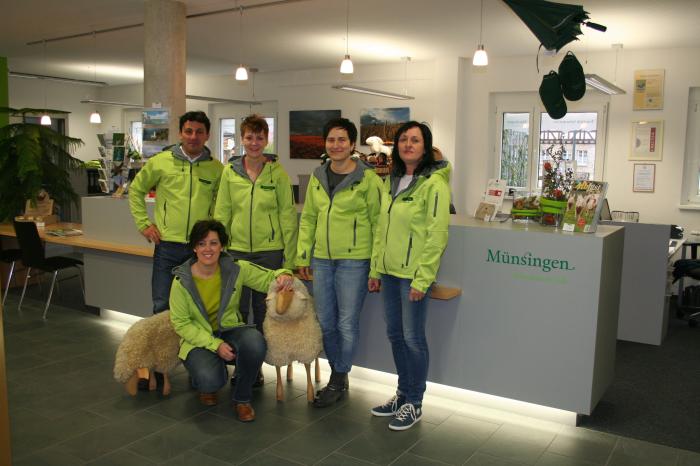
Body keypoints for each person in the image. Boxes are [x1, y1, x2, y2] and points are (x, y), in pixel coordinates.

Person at [368, 121, 451, 431]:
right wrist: (375, 268)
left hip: (413, 276)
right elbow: (382, 229)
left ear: (425, 147)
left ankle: (414, 402)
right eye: (403, 139)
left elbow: (437, 235)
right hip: (389, 273)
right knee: (396, 335)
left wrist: (423, 278)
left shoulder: (434, 184)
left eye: (415, 140)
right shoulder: (392, 180)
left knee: (413, 339)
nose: (408, 144)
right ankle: (402, 394)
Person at [169, 219, 293, 422]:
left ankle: (242, 399)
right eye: (201, 243)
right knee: (210, 381)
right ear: (194, 248)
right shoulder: (181, 281)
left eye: (213, 243)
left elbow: (267, 278)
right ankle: (209, 380)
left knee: (255, 342)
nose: (208, 249)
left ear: (222, 246)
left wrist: (283, 274)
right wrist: (215, 345)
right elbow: (181, 324)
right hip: (198, 339)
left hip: (229, 329)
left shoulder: (235, 268)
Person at [297, 117, 383, 408]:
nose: (336, 145)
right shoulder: (318, 176)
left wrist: (375, 267)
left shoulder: (368, 179)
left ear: (352, 144)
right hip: (322, 259)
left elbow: (379, 225)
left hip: (354, 261)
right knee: (326, 321)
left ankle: (337, 377)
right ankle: (339, 372)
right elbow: (309, 218)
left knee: (346, 323)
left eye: (342, 140)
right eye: (331, 140)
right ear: (325, 144)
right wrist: (303, 254)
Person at [213, 115, 297, 388]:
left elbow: (287, 217)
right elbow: (222, 213)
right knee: (235, 312)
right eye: (249, 137)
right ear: (241, 139)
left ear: (267, 140)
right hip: (236, 251)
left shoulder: (278, 174)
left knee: (263, 313)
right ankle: (240, 364)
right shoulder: (230, 172)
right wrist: (219, 250)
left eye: (260, 138)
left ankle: (255, 367)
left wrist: (290, 261)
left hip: (269, 252)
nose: (254, 143)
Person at [129, 111, 224, 315]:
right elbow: (136, 190)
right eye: (188, 131)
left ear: (207, 135)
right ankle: (165, 338)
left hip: (201, 248)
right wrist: (144, 224)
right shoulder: (161, 162)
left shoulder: (217, 168)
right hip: (167, 246)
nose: (193, 136)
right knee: (162, 304)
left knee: (199, 306)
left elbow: (222, 206)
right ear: (180, 133)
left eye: (199, 132)